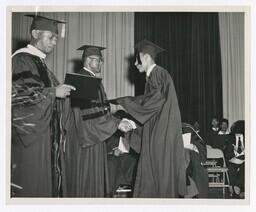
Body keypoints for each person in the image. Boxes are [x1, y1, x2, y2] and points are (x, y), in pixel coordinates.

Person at [109, 39, 187, 198]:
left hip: (161, 135)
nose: (136, 64)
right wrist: (133, 123)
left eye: (137, 59)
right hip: (158, 131)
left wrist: (125, 102)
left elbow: (153, 102)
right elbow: (152, 109)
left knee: (158, 175)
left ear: (145, 57)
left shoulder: (158, 74)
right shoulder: (156, 76)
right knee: (156, 175)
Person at [11, 14, 75, 197]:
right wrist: (54, 92)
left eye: (56, 38)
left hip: (45, 139)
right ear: (35, 33)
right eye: (50, 37)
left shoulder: (41, 63)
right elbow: (19, 97)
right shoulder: (21, 60)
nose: (55, 42)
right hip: (30, 141)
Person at [66, 45, 135, 197]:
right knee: (86, 179)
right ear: (89, 60)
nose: (101, 63)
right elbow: (88, 114)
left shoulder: (90, 79)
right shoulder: (83, 80)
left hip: (93, 136)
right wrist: (116, 124)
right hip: (86, 140)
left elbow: (99, 109)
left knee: (93, 179)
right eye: (98, 60)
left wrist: (116, 121)